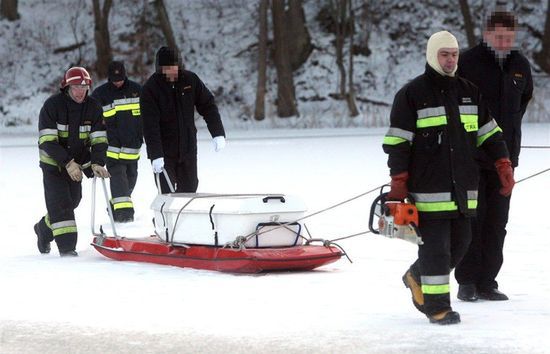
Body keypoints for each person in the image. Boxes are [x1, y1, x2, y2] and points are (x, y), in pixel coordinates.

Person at [382, 31, 514, 324]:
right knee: (437, 249)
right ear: (432, 55)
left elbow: (490, 133)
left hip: (465, 188)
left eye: (454, 54)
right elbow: (398, 142)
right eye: (444, 54)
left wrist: (503, 163)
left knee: (461, 243)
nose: (450, 60)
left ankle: (417, 275)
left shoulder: (470, 92)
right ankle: (437, 306)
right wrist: (398, 181)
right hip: (428, 189)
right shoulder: (411, 94)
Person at [454, 10, 533, 302]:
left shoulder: (520, 65)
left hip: (506, 160)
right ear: (487, 35)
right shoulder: (468, 62)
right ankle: (467, 281)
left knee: (497, 223)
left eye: (508, 37)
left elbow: (522, 102)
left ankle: (488, 281)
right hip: (471, 158)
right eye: (498, 36)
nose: (503, 42)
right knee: (471, 219)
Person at [35, 67, 109, 257]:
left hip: (77, 164)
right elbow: (47, 142)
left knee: (73, 201)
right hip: (54, 166)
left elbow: (99, 140)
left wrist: (97, 163)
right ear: (67, 87)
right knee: (62, 206)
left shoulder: (93, 107)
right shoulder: (52, 106)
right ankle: (67, 250)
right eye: (76, 87)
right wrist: (67, 162)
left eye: (84, 86)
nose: (80, 91)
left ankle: (43, 228)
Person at [141, 46, 226, 193]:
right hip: (164, 152)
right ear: (160, 68)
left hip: (188, 149)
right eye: (167, 68)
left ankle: (184, 217)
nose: (171, 71)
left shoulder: (190, 80)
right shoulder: (151, 89)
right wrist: (155, 155)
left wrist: (218, 132)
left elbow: (208, 106)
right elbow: (150, 126)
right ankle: (163, 217)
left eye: (174, 67)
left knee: (190, 189)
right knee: (166, 193)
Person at [91, 61, 143, 222]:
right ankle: (124, 217)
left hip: (133, 147)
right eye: (114, 79)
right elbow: (93, 119)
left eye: (120, 78)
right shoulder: (100, 94)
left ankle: (115, 206)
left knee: (130, 179)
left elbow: (148, 116)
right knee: (119, 177)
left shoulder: (137, 90)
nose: (118, 82)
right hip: (112, 147)